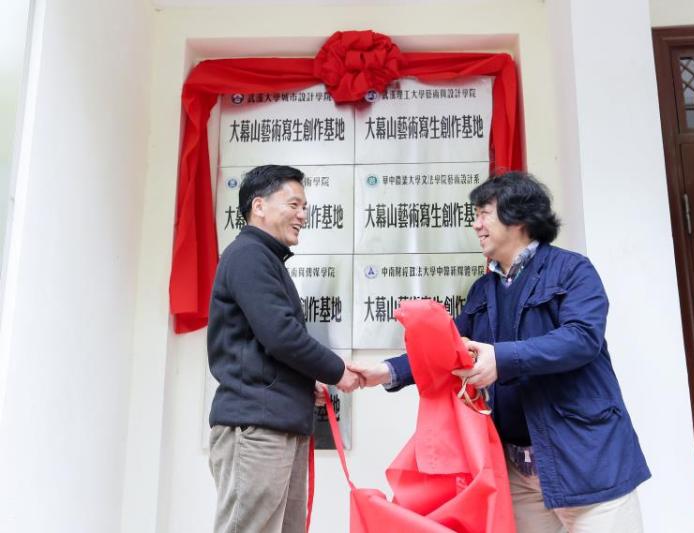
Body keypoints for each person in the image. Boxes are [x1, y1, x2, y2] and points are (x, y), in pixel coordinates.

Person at [351, 172, 650, 533]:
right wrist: (387, 371)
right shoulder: (483, 288)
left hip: (587, 460)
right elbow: (448, 349)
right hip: (517, 469)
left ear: (519, 217)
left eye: (484, 214)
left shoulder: (573, 270)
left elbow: (582, 338)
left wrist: (502, 359)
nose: (475, 224)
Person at [206, 165, 361, 533]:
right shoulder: (249, 256)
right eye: (294, 204)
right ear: (259, 206)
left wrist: (306, 382)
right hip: (257, 428)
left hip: (278, 424)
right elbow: (281, 336)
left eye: (304, 206)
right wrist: (337, 371)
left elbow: (267, 345)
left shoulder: (265, 259)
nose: (302, 215)